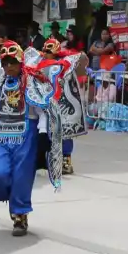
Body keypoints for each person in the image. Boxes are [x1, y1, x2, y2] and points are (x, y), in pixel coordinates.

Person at [0, 40, 64, 236]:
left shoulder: (31, 83)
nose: (9, 67)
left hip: (25, 137)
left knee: (22, 178)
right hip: (1, 138)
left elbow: (42, 111)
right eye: (5, 63)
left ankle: (19, 215)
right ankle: (7, 195)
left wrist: (42, 134)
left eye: (13, 62)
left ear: (21, 62)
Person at [31, 38, 87, 175]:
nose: (45, 53)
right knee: (43, 132)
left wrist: (64, 54)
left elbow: (83, 58)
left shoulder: (64, 64)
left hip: (62, 103)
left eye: (49, 51)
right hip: (44, 103)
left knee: (64, 132)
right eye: (44, 51)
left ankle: (66, 160)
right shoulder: (38, 64)